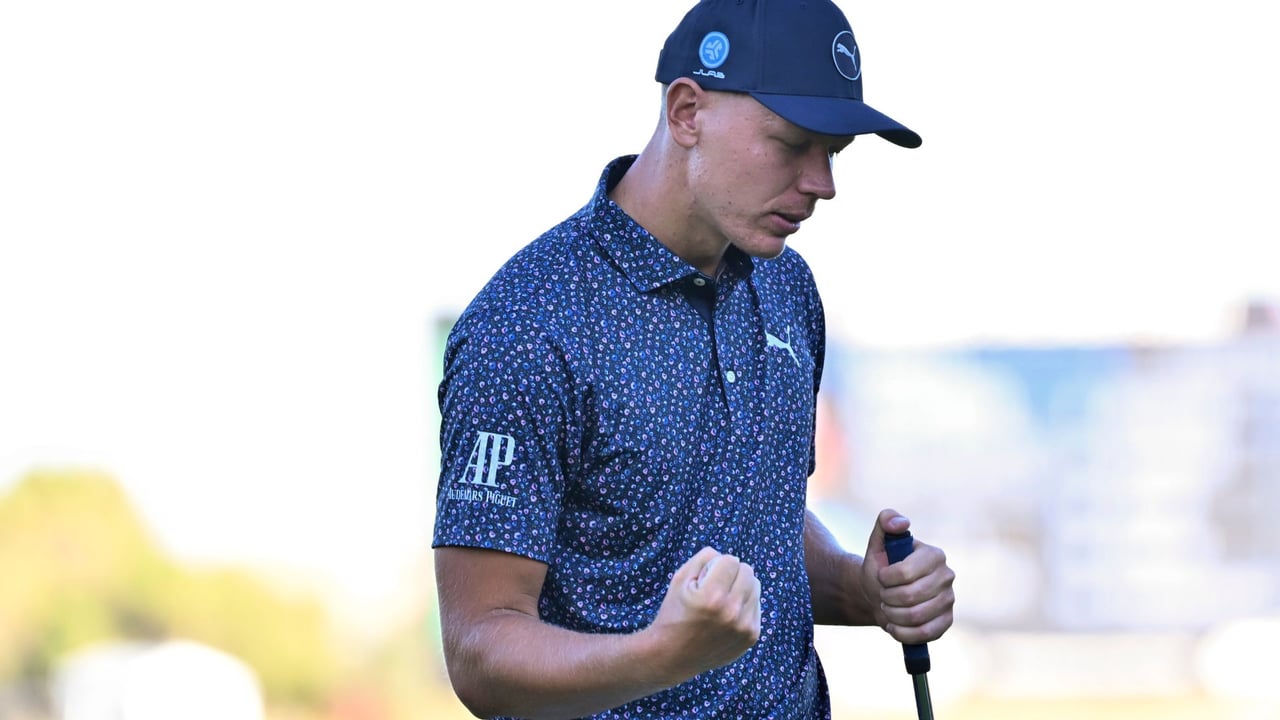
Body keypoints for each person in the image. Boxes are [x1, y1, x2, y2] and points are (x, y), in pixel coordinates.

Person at [431, 0, 956, 717]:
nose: (823, 184)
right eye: (791, 143)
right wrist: (664, 653)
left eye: (834, 153)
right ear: (686, 112)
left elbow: (755, 518)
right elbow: (480, 650)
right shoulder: (529, 322)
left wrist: (860, 588)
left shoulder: (786, 285)